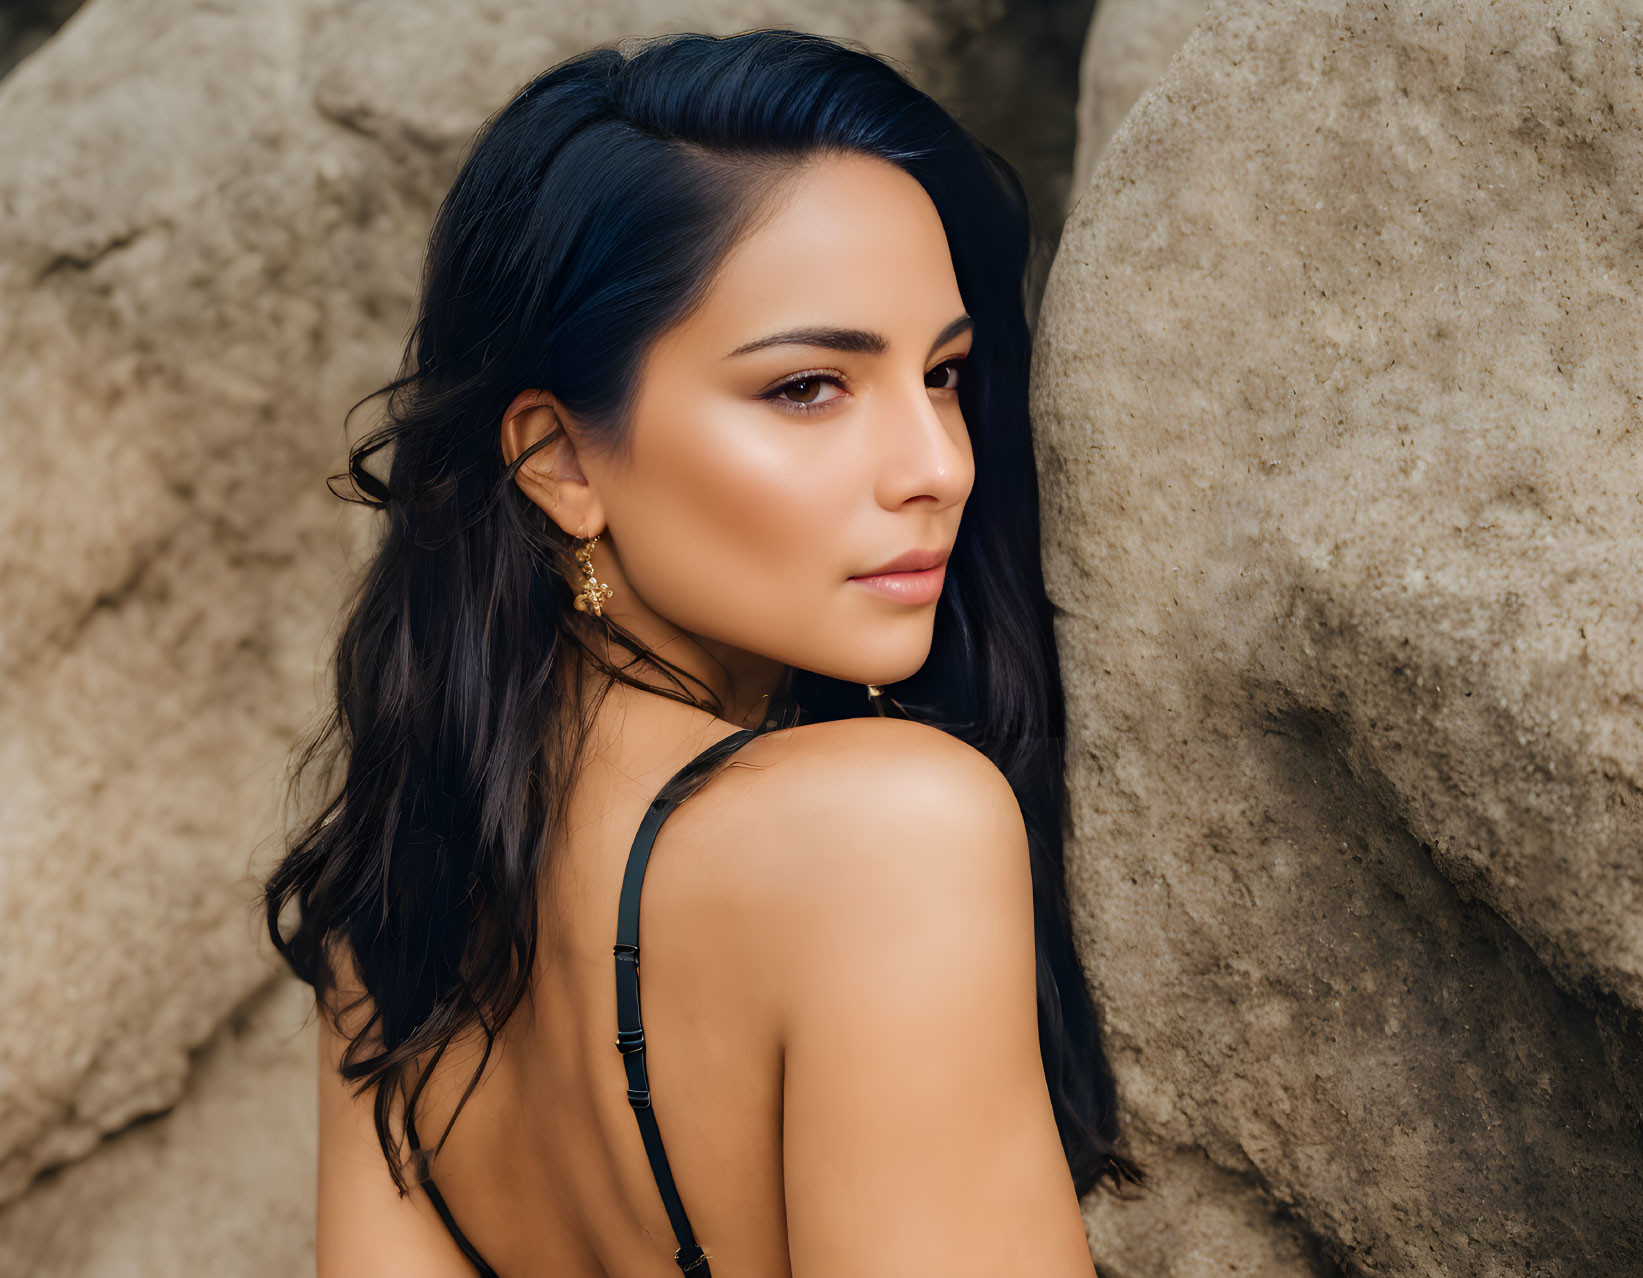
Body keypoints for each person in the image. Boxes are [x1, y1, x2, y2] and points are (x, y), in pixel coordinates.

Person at [261, 26, 1143, 1278]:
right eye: (806, 388)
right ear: (557, 459)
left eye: (943, 375)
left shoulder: (390, 920)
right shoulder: (890, 833)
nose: (938, 466)